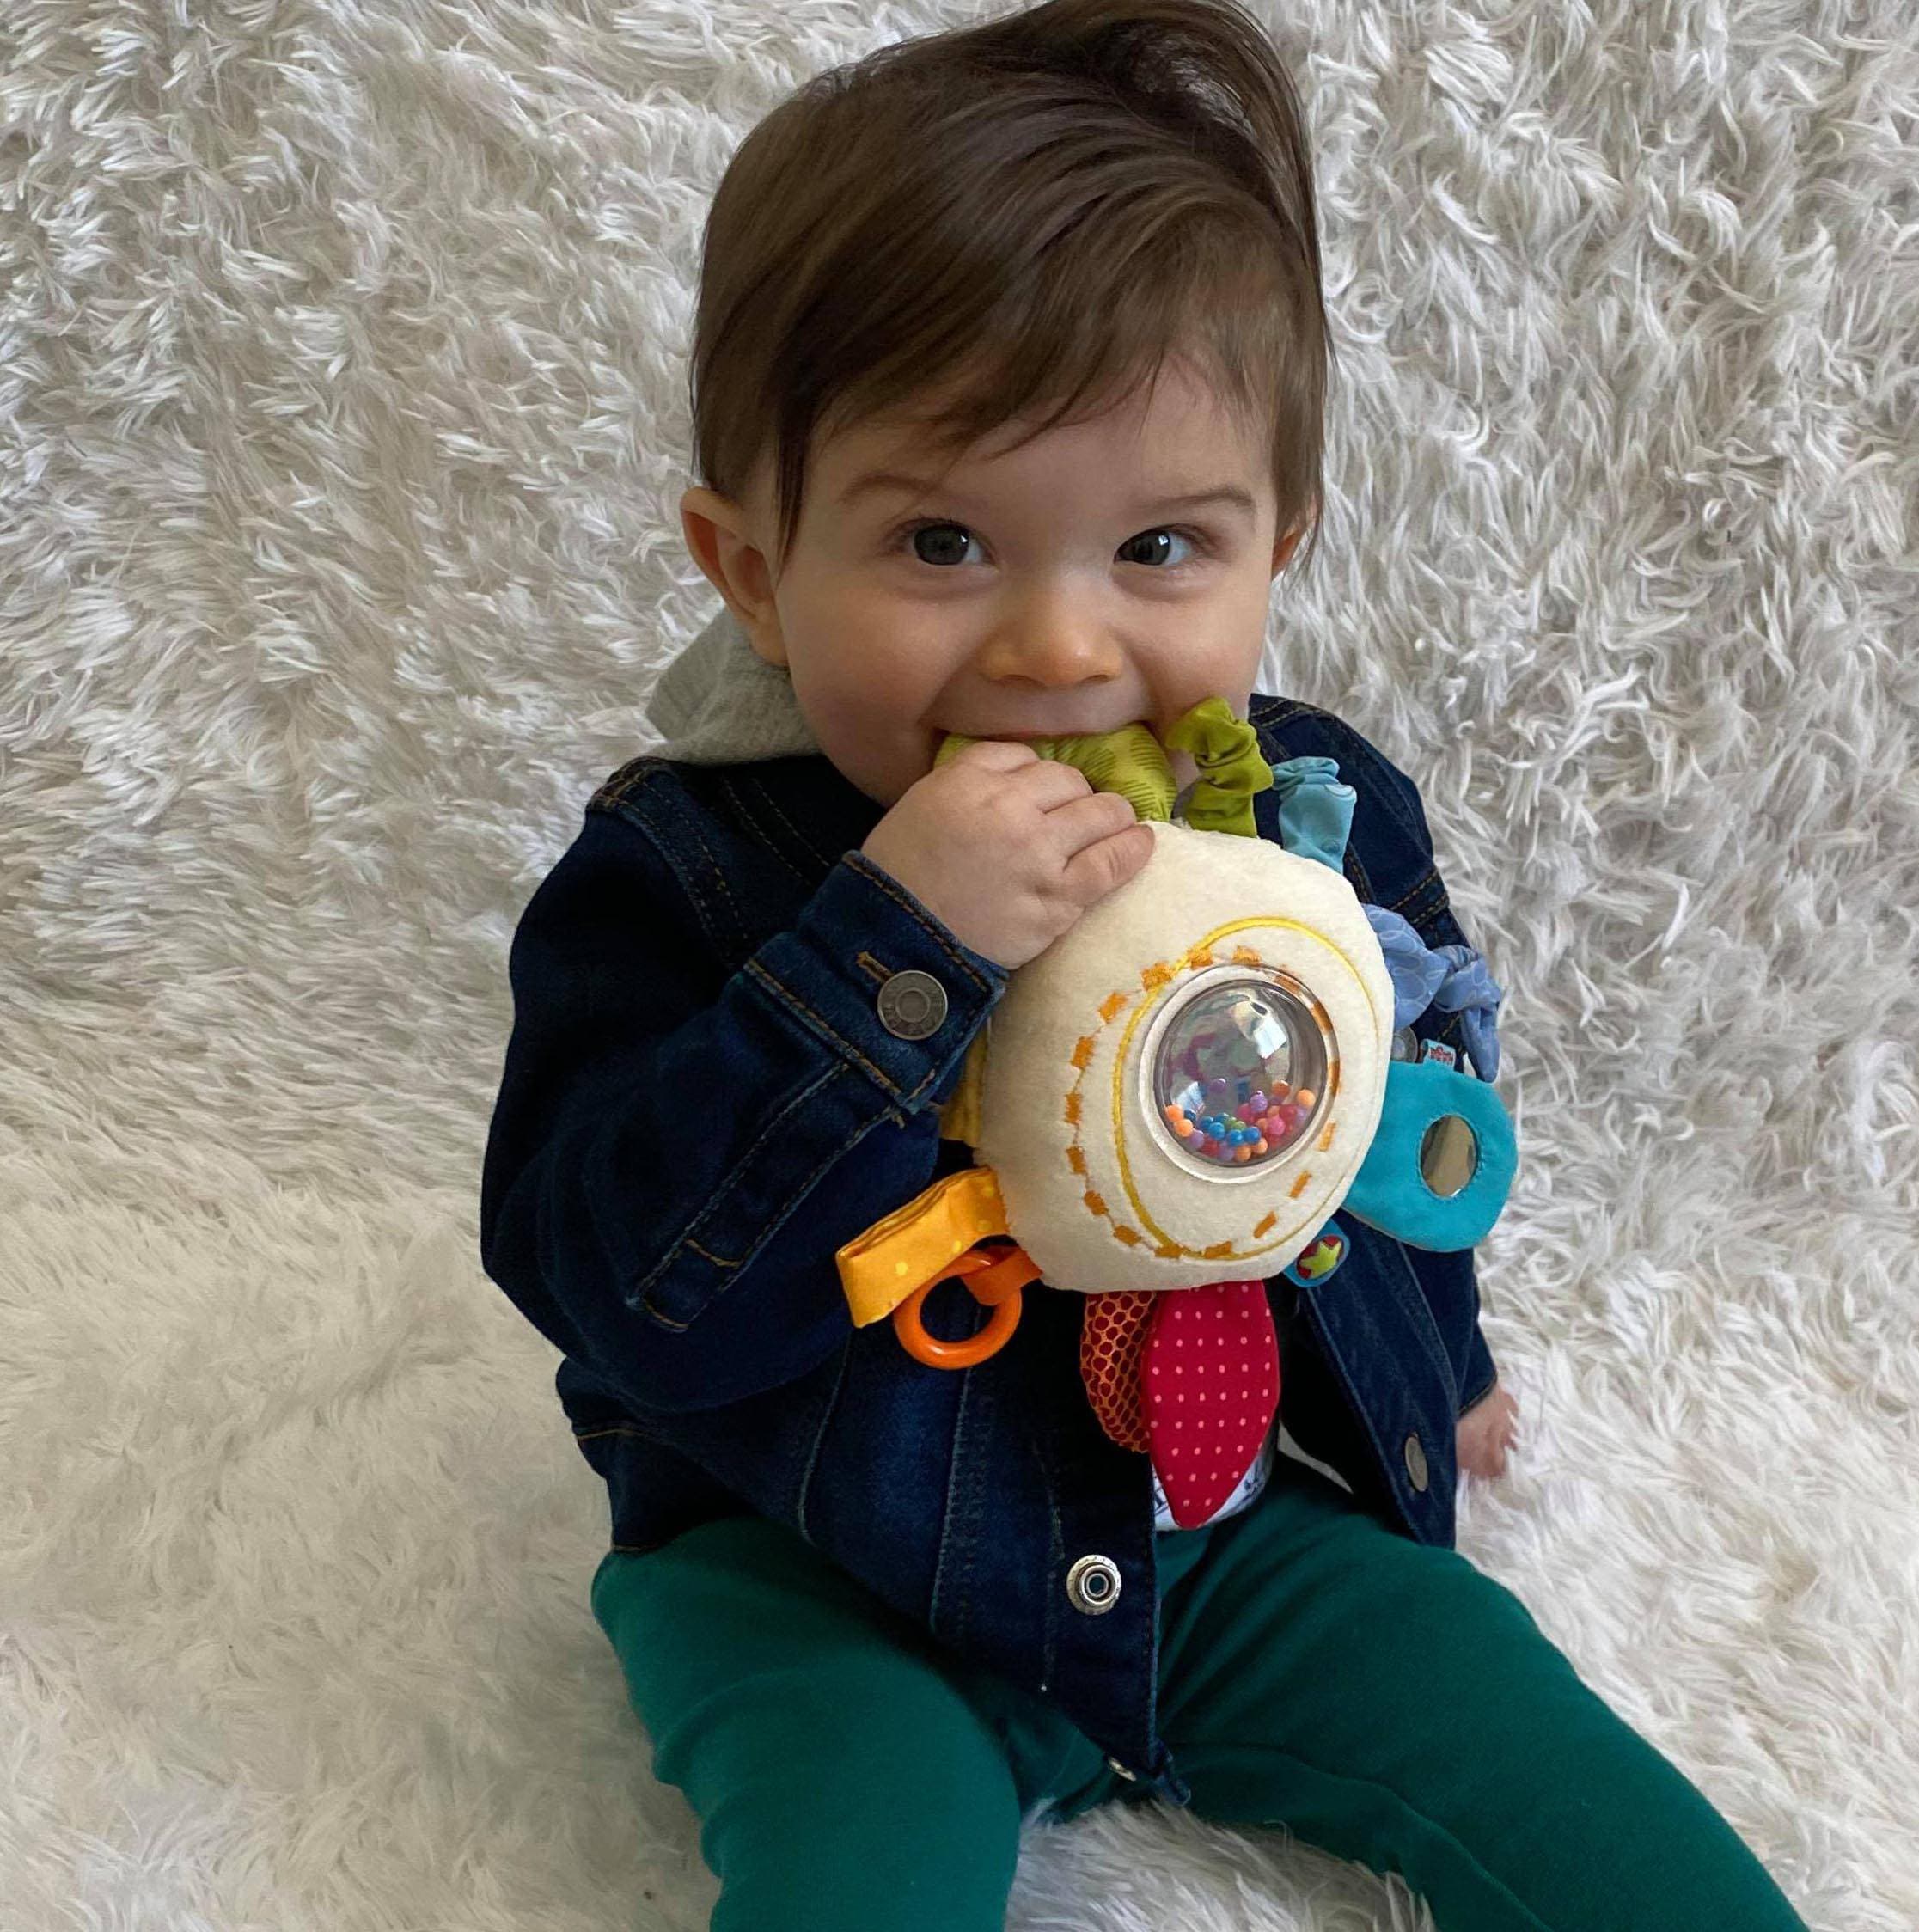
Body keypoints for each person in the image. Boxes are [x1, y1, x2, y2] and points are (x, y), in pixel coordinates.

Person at [478, 2, 1811, 1926]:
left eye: (1163, 547)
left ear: (1281, 542)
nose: (1059, 646)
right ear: (754, 569)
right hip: (821, 1562)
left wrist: (1444, 1359)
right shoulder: (679, 873)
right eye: (943, 541)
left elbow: (1390, 1108)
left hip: (1226, 1527)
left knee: (1567, 1782)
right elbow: (616, 1289)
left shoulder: (1316, 813)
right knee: (860, 1865)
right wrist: (888, 951)